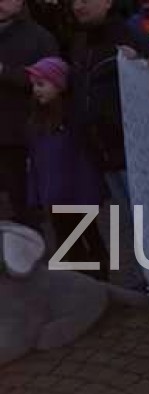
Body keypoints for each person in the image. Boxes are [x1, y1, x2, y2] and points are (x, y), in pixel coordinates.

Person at [69, 0, 149, 291]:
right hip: (102, 150)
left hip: (131, 149)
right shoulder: (80, 41)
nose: (77, 6)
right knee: (130, 220)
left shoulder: (130, 34)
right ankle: (147, 277)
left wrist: (148, 56)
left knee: (147, 219)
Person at [25, 56, 106, 279]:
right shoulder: (37, 122)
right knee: (67, 242)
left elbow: (82, 163)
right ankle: (84, 281)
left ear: (59, 85)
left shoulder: (73, 121)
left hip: (75, 194)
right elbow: (36, 163)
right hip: (53, 195)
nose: (36, 90)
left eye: (41, 84)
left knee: (88, 235)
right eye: (34, 85)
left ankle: (99, 281)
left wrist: (89, 193)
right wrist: (37, 193)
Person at [0, 0, 57, 226]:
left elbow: (52, 81)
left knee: (29, 204)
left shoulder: (39, 37)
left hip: (24, 133)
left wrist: (5, 72)